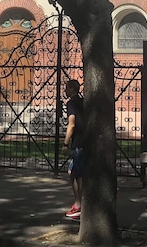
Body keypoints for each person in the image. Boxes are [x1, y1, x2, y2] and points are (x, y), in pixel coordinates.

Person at [63, 78, 84, 219]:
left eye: (66, 88)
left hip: (78, 143)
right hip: (85, 141)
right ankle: (79, 203)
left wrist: (65, 143)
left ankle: (79, 205)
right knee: (72, 171)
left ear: (72, 89)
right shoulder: (83, 102)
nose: (65, 90)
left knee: (77, 174)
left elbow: (72, 124)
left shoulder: (72, 103)